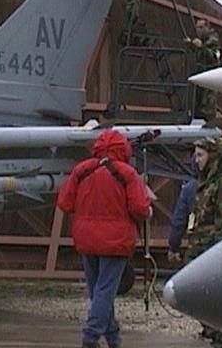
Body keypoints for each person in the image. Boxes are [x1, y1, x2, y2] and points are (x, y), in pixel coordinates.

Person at [57, 129, 152, 348]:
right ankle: (91, 336)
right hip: (116, 240)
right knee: (105, 291)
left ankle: (112, 337)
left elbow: (65, 203)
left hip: (86, 239)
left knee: (97, 291)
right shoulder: (127, 173)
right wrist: (148, 210)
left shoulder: (82, 170)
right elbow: (139, 208)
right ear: (123, 149)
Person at [186, 137, 222, 348]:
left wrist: (216, 255)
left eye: (200, 155)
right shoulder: (206, 183)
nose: (196, 160)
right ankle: (217, 335)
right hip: (199, 249)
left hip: (212, 252)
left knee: (213, 300)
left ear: (213, 157)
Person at [187, 18, 222, 124]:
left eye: (201, 27)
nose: (198, 30)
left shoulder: (213, 42)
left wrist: (201, 47)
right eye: (197, 27)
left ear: (207, 27)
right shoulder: (201, 41)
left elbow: (214, 58)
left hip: (207, 89)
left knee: (206, 110)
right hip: (199, 87)